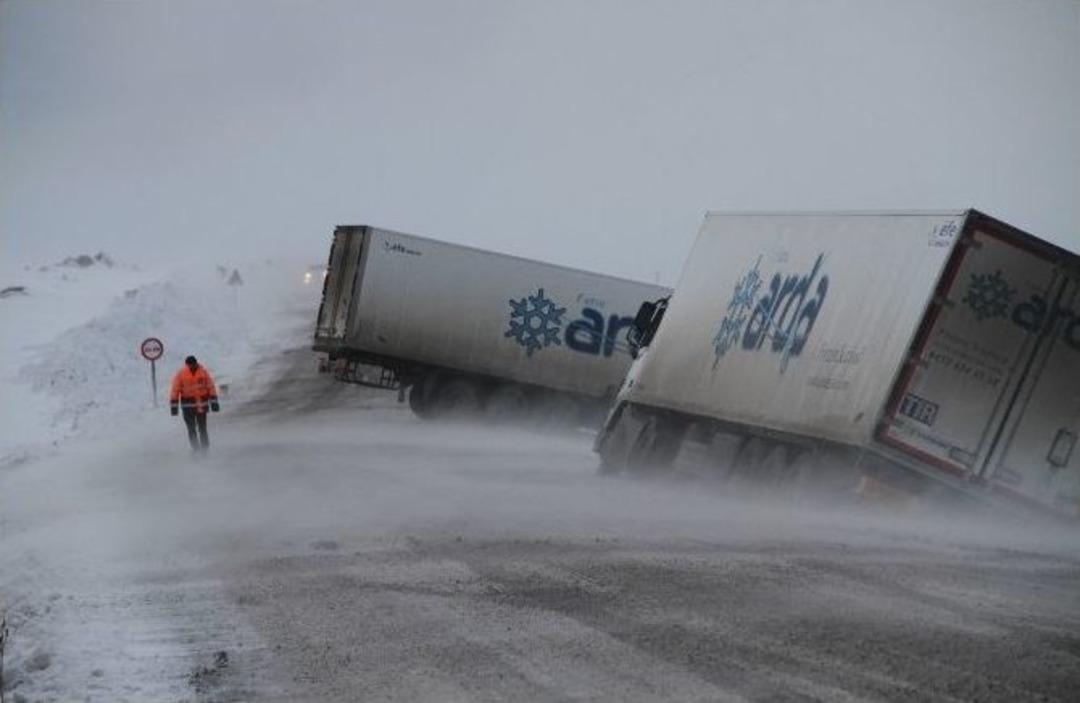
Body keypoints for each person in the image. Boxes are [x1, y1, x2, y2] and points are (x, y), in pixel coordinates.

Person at [170, 355, 220, 453]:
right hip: (188, 407)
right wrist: (174, 407)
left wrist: (214, 403)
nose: (192, 366)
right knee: (191, 429)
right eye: (190, 365)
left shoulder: (203, 372)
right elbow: (175, 391)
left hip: (202, 405)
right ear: (187, 364)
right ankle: (196, 449)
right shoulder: (181, 374)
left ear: (196, 363)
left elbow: (210, 387)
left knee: (202, 428)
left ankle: (205, 449)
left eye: (193, 364)